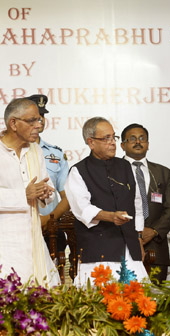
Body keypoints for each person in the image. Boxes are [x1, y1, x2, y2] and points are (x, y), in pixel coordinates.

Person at [65, 117, 147, 285]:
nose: (113, 143)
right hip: (98, 248)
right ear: (91, 142)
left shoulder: (125, 167)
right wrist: (110, 216)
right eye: (106, 138)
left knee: (139, 302)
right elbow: (82, 209)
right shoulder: (78, 171)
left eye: (114, 137)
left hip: (130, 248)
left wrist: (138, 236)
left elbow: (137, 203)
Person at [0, 98, 60, 286]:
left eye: (39, 120)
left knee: (45, 302)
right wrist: (23, 195)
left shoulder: (35, 151)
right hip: (5, 242)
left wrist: (46, 194)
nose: (38, 125)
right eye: (32, 121)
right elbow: (27, 193)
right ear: (13, 123)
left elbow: (46, 191)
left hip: (34, 238)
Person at [121, 123, 170, 283]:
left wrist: (153, 231)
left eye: (142, 139)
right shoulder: (113, 171)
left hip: (156, 247)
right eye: (132, 139)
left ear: (148, 144)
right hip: (123, 246)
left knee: (156, 302)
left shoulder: (162, 172)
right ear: (122, 145)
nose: (138, 142)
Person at [27, 95, 70, 259]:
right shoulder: (7, 151)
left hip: (51, 229)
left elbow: (67, 197)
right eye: (34, 116)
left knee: (53, 279)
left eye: (42, 115)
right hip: (18, 228)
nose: (40, 120)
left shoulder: (56, 154)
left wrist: (48, 220)